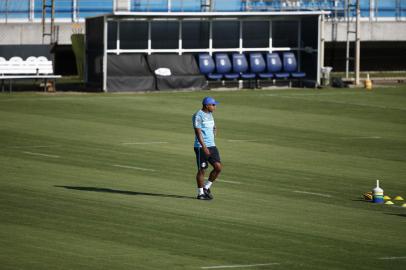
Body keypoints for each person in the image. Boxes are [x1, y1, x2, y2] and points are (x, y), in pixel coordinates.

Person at [192, 96, 223, 200]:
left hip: (212, 145)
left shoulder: (210, 114)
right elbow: (198, 132)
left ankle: (206, 187)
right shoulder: (198, 116)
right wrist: (204, 147)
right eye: (213, 105)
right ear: (207, 105)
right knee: (202, 170)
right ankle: (200, 193)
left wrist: (214, 129)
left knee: (218, 167)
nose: (215, 107)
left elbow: (212, 126)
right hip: (201, 147)